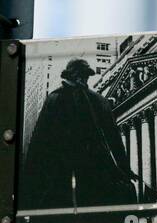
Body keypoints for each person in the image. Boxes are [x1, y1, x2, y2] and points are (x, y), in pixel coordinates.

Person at [20, 58, 136, 211]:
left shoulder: (97, 101)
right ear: (70, 75)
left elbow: (113, 137)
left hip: (90, 168)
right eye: (81, 75)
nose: (84, 79)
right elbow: (39, 140)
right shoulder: (55, 99)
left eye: (86, 76)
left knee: (91, 209)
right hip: (62, 169)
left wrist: (124, 168)